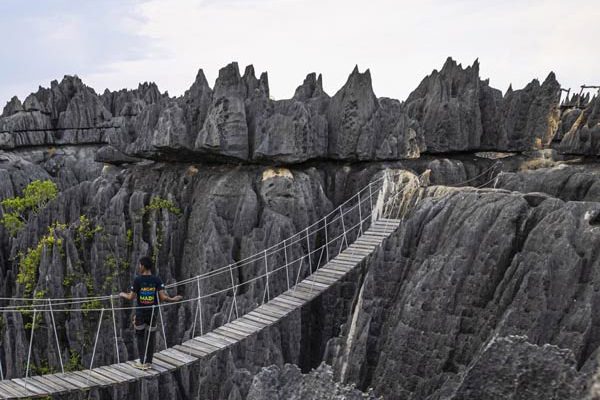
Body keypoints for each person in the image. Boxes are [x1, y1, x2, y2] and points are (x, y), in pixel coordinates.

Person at [119, 256, 183, 370]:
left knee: (139, 336)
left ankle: (142, 362)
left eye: (140, 265)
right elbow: (163, 297)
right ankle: (149, 361)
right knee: (150, 336)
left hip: (141, 313)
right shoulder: (157, 279)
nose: (139, 267)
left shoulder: (138, 280)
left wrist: (122, 294)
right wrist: (173, 299)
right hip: (153, 313)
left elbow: (131, 297)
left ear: (143, 266)